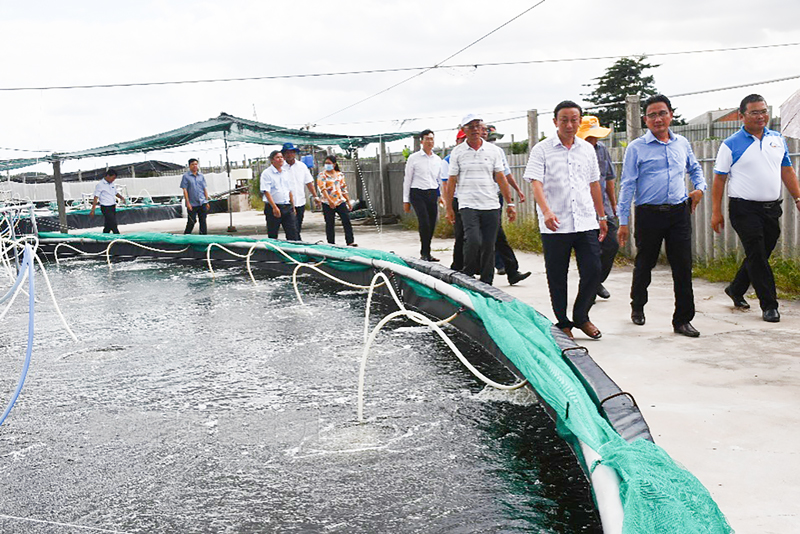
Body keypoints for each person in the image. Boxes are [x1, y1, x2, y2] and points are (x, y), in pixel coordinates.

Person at [618, 94, 706, 337]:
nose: (658, 119)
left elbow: (695, 168)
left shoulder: (682, 143)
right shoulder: (637, 148)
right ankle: (638, 305)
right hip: (649, 214)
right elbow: (627, 185)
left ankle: (682, 320)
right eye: (652, 115)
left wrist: (700, 188)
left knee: (683, 267)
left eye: (662, 113)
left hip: (679, 212)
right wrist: (623, 221)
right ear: (645, 119)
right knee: (645, 264)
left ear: (671, 115)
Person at [711, 94, 800, 323]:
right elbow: (719, 179)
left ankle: (736, 288)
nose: (761, 116)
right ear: (742, 116)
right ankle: (769, 305)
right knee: (757, 254)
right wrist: (716, 211)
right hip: (743, 208)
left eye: (764, 111)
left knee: (759, 253)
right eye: (754, 112)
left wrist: (798, 198)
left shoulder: (777, 139)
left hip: (771, 209)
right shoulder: (730, 144)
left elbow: (787, 171)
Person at [523, 100, 608, 340]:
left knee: (593, 270)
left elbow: (593, 185)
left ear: (579, 121)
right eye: (564, 120)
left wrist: (601, 216)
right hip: (555, 224)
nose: (569, 125)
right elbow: (536, 182)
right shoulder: (542, 149)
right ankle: (563, 323)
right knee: (557, 275)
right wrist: (546, 211)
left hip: (585, 220)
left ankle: (581, 316)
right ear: (555, 122)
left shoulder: (587, 149)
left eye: (574, 120)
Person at [444, 113, 516, 285]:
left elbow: (500, 177)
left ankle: (486, 282)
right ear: (463, 130)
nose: (475, 129)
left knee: (489, 245)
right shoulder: (458, 152)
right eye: (470, 126)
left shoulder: (493, 151)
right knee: (473, 240)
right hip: (468, 204)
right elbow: (451, 181)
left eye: (478, 126)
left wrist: (510, 203)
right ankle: (468, 275)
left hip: (490, 204)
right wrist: (449, 208)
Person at [576, 116, 619, 300]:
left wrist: (613, 203)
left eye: (595, 136)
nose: (593, 140)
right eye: (590, 137)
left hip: (604, 208)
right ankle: (589, 289)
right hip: (583, 210)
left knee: (611, 245)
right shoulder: (574, 151)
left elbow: (608, 178)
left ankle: (595, 282)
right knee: (589, 252)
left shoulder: (602, 150)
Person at [484, 125, 531, 285]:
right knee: (490, 235)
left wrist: (516, 190)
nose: (492, 141)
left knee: (496, 233)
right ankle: (502, 267)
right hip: (477, 199)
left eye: (494, 138)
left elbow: (505, 174)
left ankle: (507, 268)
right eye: (490, 138)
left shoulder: (497, 152)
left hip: (495, 196)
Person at [403, 129, 443, 262]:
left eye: (432, 139)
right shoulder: (414, 158)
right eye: (427, 139)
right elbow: (407, 179)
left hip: (432, 193)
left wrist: (441, 195)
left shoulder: (437, 159)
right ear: (421, 141)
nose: (430, 142)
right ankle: (424, 253)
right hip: (417, 193)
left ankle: (428, 251)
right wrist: (406, 200)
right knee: (424, 221)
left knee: (432, 222)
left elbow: (439, 179)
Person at [441, 130, 467, 271]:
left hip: (470, 199)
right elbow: (446, 185)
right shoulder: (448, 161)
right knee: (460, 234)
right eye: (461, 140)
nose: (463, 142)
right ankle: (457, 265)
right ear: (456, 142)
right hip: (457, 199)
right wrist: (448, 206)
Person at [317, 155, 356, 246]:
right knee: (330, 223)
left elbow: (343, 188)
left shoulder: (339, 175)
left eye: (329, 163)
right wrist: (330, 201)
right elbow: (323, 189)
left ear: (334, 164)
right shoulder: (322, 175)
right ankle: (331, 243)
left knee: (346, 220)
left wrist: (348, 201)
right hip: (327, 202)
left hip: (340, 201)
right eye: (326, 163)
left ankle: (350, 241)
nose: (327, 165)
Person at [260, 150, 299, 241]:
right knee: (273, 234)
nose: (280, 159)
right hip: (274, 206)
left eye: (281, 157)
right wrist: (274, 207)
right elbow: (266, 191)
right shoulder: (267, 173)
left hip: (287, 206)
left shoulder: (285, 172)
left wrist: (293, 206)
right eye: (277, 157)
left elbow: (289, 190)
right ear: (272, 160)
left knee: (292, 233)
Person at [282, 142, 317, 240]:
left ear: (294, 153)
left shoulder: (302, 166)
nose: (289, 155)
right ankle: (296, 244)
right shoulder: (281, 168)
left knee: (297, 227)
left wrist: (315, 196)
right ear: (284, 155)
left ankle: (296, 244)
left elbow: (309, 182)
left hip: (300, 201)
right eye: (287, 153)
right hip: (287, 203)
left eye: (291, 152)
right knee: (291, 228)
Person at [89, 168, 126, 234]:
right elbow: (96, 197)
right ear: (108, 176)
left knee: (108, 224)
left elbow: (115, 193)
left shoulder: (112, 184)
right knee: (113, 223)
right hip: (105, 207)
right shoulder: (100, 185)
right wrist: (93, 209)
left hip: (112, 206)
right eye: (113, 178)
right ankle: (118, 236)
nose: (113, 180)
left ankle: (105, 235)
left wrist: (121, 197)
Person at [180, 158, 210, 235]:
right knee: (192, 221)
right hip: (192, 203)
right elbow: (185, 190)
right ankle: (186, 236)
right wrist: (188, 203)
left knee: (203, 221)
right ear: (189, 166)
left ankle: (203, 237)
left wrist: (206, 201)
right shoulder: (186, 176)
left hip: (202, 202)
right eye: (193, 164)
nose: (195, 166)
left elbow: (204, 188)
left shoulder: (201, 176)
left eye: (196, 164)